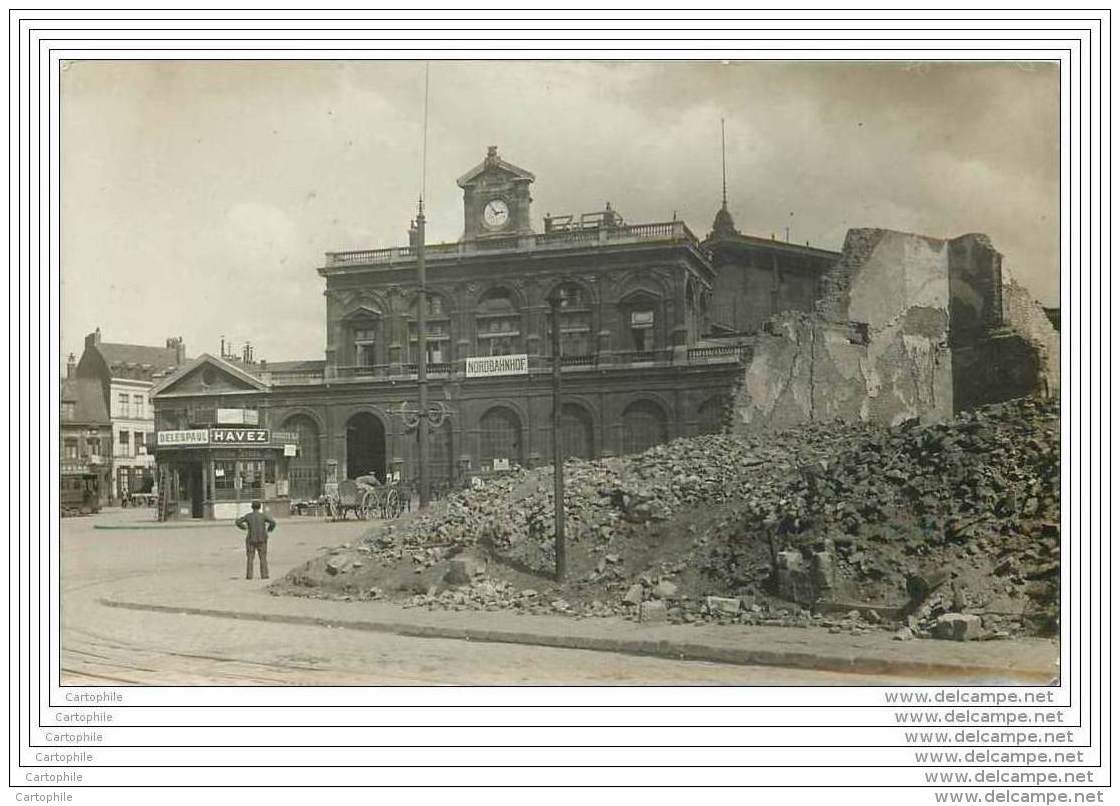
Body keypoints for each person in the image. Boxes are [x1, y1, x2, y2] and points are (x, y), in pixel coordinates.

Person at [235, 500, 276, 580]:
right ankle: (264, 575)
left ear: (252, 507)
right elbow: (273, 522)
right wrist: (269, 529)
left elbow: (238, 522)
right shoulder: (263, 516)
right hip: (262, 538)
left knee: (250, 558)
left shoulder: (248, 516)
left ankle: (249, 575)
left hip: (251, 539)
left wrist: (244, 527)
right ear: (260, 507)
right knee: (263, 558)